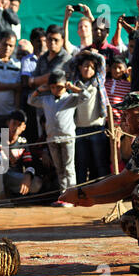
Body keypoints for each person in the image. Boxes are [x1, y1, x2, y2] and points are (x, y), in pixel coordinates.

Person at [60, 91, 139, 275]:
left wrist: (82, 192)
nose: (122, 120)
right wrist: (93, 200)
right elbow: (127, 187)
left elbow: (125, 179)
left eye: (126, 115)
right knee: (130, 221)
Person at [28, 70, 91, 207]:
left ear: (65, 86)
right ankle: (64, 196)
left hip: (67, 138)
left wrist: (73, 88)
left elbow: (86, 96)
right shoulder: (46, 99)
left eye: (59, 87)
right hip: (52, 139)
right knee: (60, 169)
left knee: (69, 167)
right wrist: (39, 90)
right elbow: (31, 100)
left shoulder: (70, 98)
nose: (56, 90)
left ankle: (73, 197)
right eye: (53, 87)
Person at [69, 50, 111, 184]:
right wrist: (81, 53)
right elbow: (72, 63)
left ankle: (104, 191)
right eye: (85, 66)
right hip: (79, 130)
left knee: (100, 163)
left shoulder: (97, 81)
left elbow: (102, 62)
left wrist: (94, 54)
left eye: (92, 67)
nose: (88, 69)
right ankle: (81, 191)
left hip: (97, 128)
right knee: (81, 164)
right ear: (80, 68)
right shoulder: (75, 83)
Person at [0, 110, 44, 200]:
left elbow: (29, 164)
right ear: (8, 123)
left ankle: (10, 193)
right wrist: (3, 149)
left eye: (19, 125)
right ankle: (1, 195)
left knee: (36, 183)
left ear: (24, 127)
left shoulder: (22, 142)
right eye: (14, 123)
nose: (16, 127)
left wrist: (28, 175)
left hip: (10, 177)